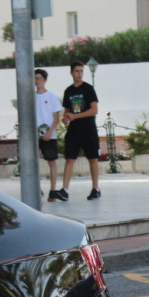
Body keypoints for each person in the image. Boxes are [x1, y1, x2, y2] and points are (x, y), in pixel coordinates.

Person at [57, 60, 102, 200]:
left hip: (88, 128)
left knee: (93, 158)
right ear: (71, 73)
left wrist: (76, 116)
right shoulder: (68, 91)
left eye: (81, 71)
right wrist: (66, 118)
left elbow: (94, 110)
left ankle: (95, 188)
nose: (79, 74)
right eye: (77, 71)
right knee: (70, 158)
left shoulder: (88, 88)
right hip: (74, 130)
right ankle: (65, 189)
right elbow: (67, 111)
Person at [34, 69, 65, 202]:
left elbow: (56, 117)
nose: (37, 81)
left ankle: (53, 190)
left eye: (39, 78)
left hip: (49, 135)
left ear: (45, 80)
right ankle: (36, 188)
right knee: (33, 162)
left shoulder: (51, 97)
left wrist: (49, 132)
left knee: (51, 162)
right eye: (35, 78)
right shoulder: (32, 97)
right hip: (35, 135)